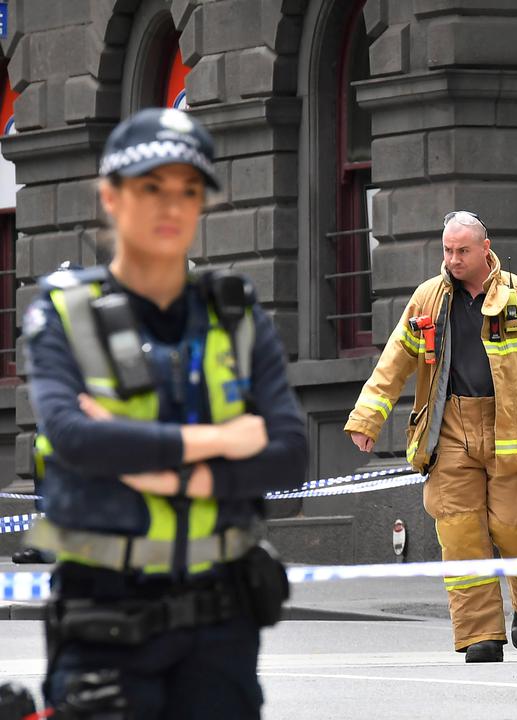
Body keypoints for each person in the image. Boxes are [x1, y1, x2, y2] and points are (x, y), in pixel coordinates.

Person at [24, 108, 307, 718]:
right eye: (150, 188)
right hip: (105, 619)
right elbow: (75, 439)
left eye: (188, 190)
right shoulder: (64, 311)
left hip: (222, 618)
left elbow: (288, 455)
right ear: (111, 197)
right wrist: (223, 440)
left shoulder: (235, 312)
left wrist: (175, 470)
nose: (170, 206)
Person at [345, 210, 517, 663]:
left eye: (462, 251)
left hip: (513, 430)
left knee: (514, 530)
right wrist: (366, 418)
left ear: (484, 249)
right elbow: (394, 361)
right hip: (449, 430)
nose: (452, 259)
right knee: (460, 535)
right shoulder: (427, 299)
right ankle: (481, 637)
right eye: (447, 250)